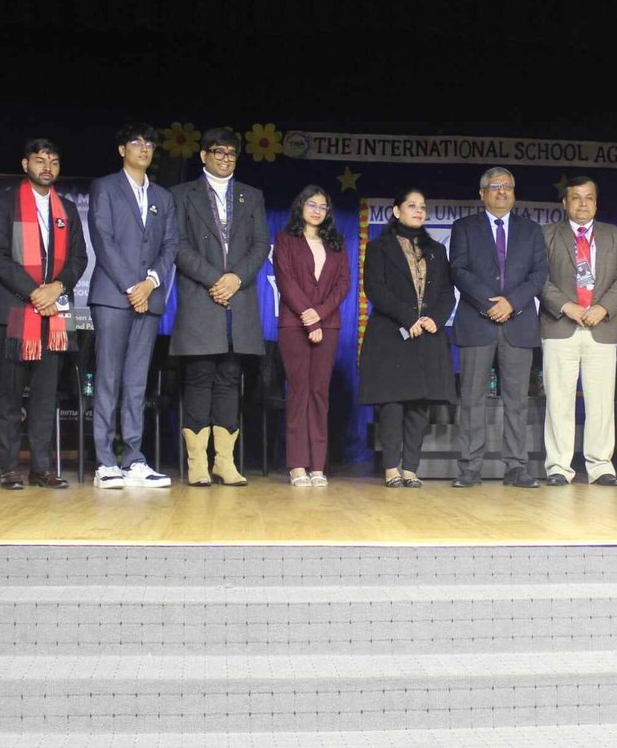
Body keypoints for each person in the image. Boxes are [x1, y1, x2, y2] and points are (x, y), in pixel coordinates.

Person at [0, 139, 88, 490]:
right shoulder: (5, 200)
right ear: (25, 163)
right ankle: (9, 467)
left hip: (55, 312)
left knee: (46, 394)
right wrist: (33, 291)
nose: (47, 168)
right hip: (14, 308)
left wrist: (55, 288)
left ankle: (41, 467)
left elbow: (78, 259)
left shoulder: (67, 209)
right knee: (10, 393)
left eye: (54, 162)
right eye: (40, 160)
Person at [169, 127, 268, 486]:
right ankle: (197, 463)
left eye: (231, 153)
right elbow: (178, 245)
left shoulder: (251, 195)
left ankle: (224, 462)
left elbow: (260, 245)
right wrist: (215, 279)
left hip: (238, 300)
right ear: (203, 156)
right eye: (218, 152)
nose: (225, 158)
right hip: (201, 297)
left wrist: (235, 279)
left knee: (229, 379)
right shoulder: (182, 195)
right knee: (199, 378)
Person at [87, 123, 178, 489]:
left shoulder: (163, 197)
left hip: (148, 297)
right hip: (113, 296)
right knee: (108, 378)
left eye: (150, 144)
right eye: (137, 143)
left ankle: (134, 459)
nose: (145, 148)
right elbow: (103, 239)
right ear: (123, 149)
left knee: (136, 381)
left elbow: (170, 245)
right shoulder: (105, 187)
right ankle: (105, 461)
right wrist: (131, 286)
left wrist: (150, 282)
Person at [448, 167, 549, 488]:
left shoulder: (532, 230)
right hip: (477, 323)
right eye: (494, 187)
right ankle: (469, 467)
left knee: (517, 401)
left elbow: (539, 274)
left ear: (514, 193)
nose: (502, 192)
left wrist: (512, 302)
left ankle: (517, 467)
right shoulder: (464, 227)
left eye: (507, 187)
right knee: (472, 400)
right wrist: (489, 303)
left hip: (518, 323)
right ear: (482, 194)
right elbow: (459, 270)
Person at [356, 189, 454, 487]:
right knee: (392, 404)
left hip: (427, 334)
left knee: (418, 405)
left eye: (422, 207)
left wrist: (434, 319)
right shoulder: (379, 247)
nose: (418, 211)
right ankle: (391, 469)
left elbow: (448, 293)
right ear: (397, 211)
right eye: (411, 206)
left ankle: (411, 468)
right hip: (391, 334)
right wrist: (408, 317)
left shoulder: (437, 249)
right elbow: (375, 289)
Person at [540, 175, 617, 486]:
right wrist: (567, 307)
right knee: (559, 401)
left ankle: (600, 465)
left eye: (588, 197)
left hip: (600, 327)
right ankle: (558, 467)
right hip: (560, 326)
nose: (583, 203)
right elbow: (538, 278)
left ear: (596, 202)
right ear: (565, 203)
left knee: (601, 401)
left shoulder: (614, 235)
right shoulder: (547, 235)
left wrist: (603, 307)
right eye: (576, 198)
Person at [273, 185, 351, 487]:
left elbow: (343, 284)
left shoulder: (336, 243)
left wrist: (319, 314)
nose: (317, 210)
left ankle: (317, 465)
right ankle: (297, 465)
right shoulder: (285, 239)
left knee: (320, 393)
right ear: (300, 207)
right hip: (294, 325)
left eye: (323, 206)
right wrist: (308, 315)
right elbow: (286, 281)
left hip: (328, 325)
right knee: (299, 392)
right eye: (312, 205)